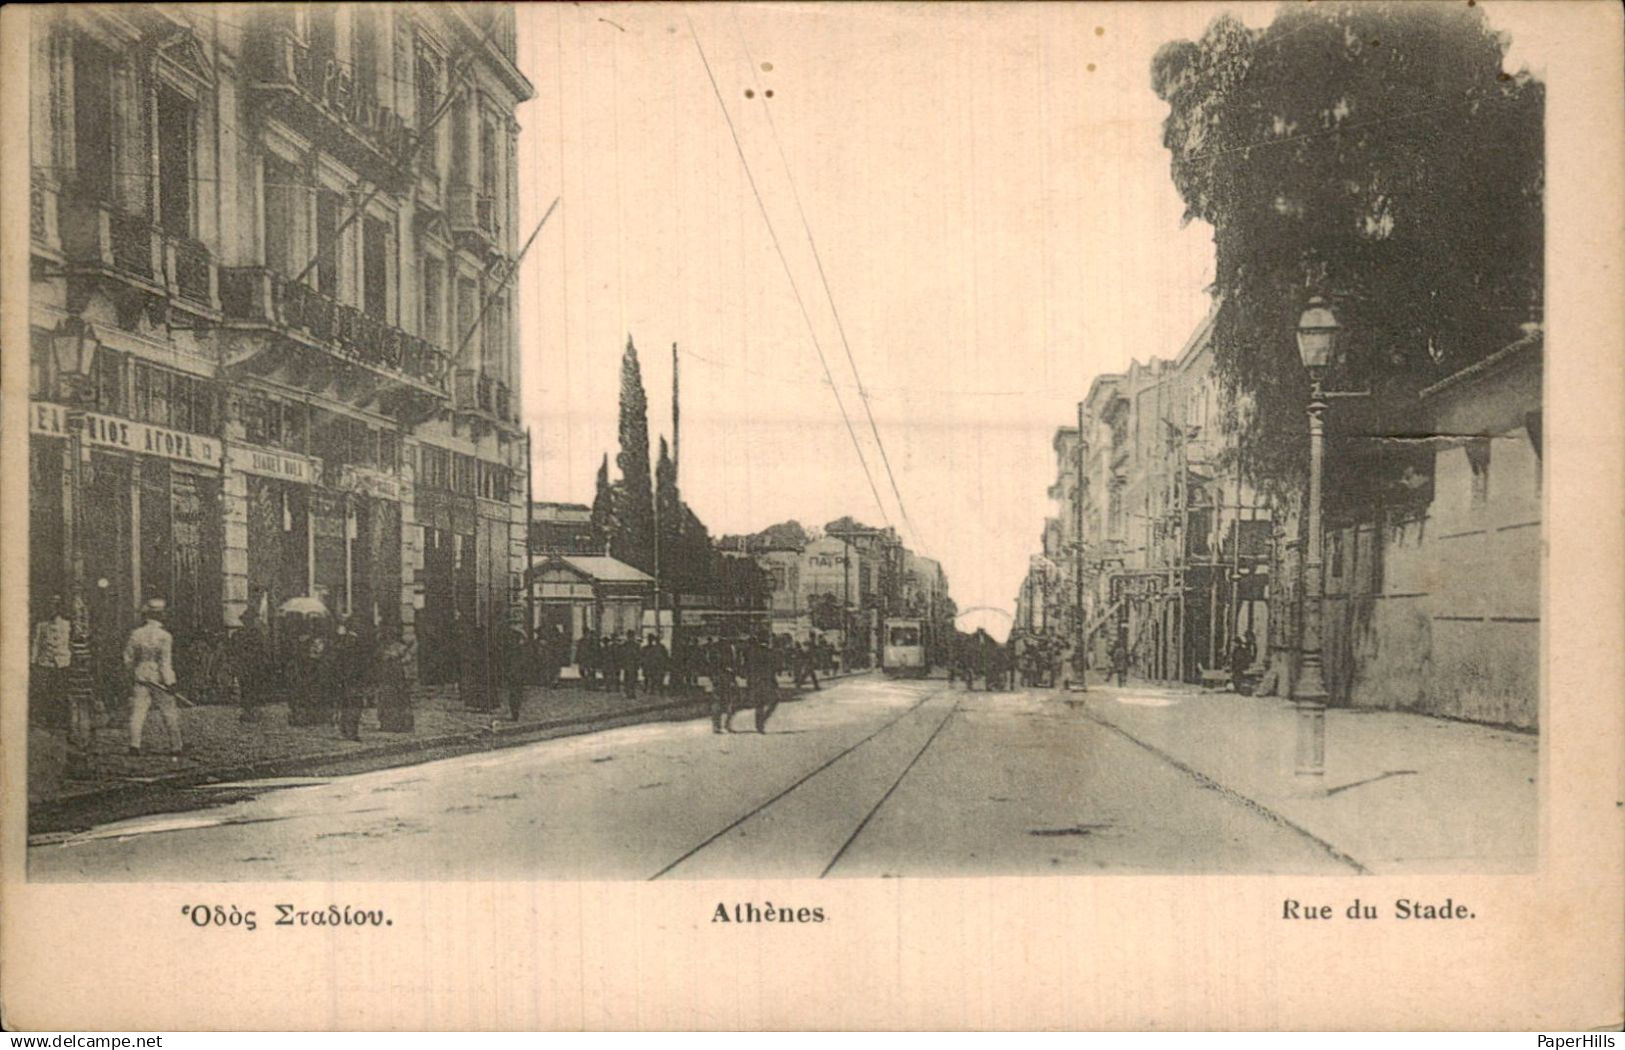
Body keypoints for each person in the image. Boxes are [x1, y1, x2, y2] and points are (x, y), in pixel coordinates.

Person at [124, 598, 182, 756]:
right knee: (168, 711)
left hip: (141, 676)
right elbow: (165, 662)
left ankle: (134, 745)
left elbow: (128, 658)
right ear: (160, 615)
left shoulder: (136, 634)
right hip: (158, 678)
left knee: (138, 712)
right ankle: (176, 746)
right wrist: (170, 682)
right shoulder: (165, 636)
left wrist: (132, 673)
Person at [31, 594, 73, 730]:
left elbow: (72, 642)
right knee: (48, 691)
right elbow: (36, 643)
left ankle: (63, 720)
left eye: (57, 605)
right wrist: (33, 661)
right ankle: (50, 719)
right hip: (46, 661)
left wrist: (70, 657)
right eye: (51, 605)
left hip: (62, 662)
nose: (54, 609)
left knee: (62, 691)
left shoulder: (67, 625)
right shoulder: (41, 626)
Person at [229, 602, 273, 723]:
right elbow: (233, 652)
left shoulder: (240, 635)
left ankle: (250, 712)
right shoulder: (255, 635)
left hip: (249, 667)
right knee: (250, 688)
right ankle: (250, 712)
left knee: (249, 688)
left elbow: (233, 653)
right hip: (250, 666)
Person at [375, 625, 415, 732]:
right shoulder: (381, 648)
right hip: (386, 678)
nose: (388, 638)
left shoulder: (400, 647)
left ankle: (402, 724)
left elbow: (408, 658)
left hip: (398, 678)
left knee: (399, 699)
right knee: (386, 699)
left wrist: (398, 660)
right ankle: (387, 723)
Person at [746, 635, 780, 733]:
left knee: (759, 704)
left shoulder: (751, 653)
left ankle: (759, 724)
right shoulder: (768, 652)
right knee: (774, 700)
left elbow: (748, 668)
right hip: (767, 681)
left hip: (755, 681)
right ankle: (761, 722)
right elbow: (773, 668)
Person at [499, 624, 532, 722]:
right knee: (516, 694)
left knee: (515, 694)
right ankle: (515, 712)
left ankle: (515, 712)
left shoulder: (518, 649)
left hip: (517, 673)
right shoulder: (515, 649)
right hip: (516, 673)